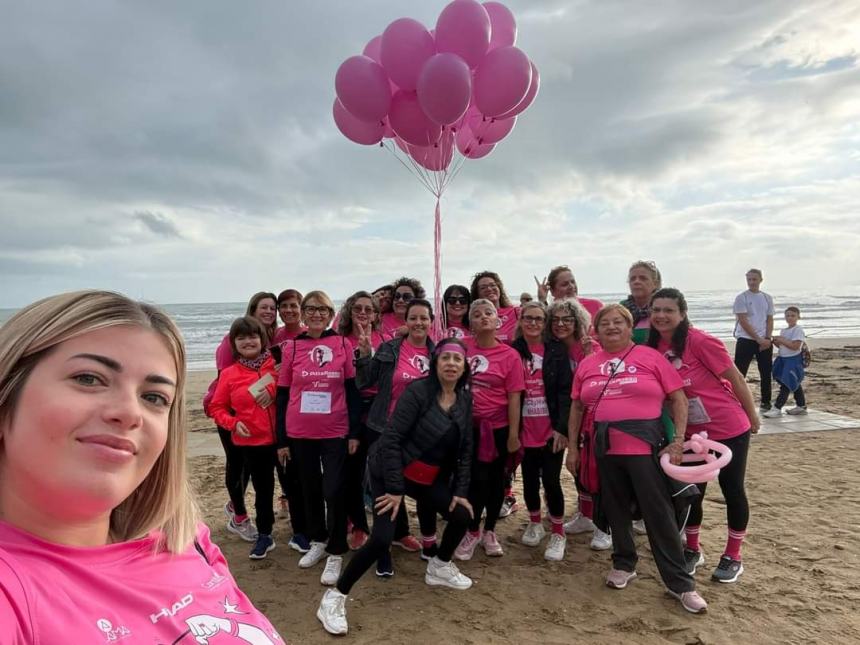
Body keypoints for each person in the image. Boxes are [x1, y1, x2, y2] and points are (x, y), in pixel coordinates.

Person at [0, 290, 282, 642]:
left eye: (153, 397)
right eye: (88, 378)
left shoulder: (187, 539)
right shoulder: (12, 594)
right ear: (6, 396)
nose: (131, 413)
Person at [317, 339, 475, 635]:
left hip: (425, 478)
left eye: (458, 359)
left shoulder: (465, 399)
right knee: (381, 539)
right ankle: (334, 596)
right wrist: (395, 489)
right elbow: (390, 440)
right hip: (388, 472)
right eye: (446, 358)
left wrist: (460, 492)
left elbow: (466, 450)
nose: (452, 363)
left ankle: (439, 566)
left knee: (463, 515)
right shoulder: (418, 392)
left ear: (465, 366)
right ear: (435, 362)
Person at [567, 304, 708, 614]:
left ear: (631, 329)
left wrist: (678, 440)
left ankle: (680, 584)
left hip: (645, 449)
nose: (612, 327)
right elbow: (577, 407)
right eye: (605, 323)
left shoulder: (650, 358)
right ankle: (624, 563)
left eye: (619, 322)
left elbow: (678, 398)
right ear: (597, 330)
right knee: (615, 510)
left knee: (659, 516)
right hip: (605, 450)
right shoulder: (588, 364)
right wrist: (574, 449)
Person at [649, 288, 759, 583]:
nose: (661, 315)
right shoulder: (654, 348)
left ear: (682, 313)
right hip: (691, 432)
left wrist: (752, 416)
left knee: (732, 488)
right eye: (656, 309)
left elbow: (735, 377)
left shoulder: (700, 341)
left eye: (668, 310)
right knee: (693, 494)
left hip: (729, 427)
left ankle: (733, 555)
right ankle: (693, 549)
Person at [275, 291, 360, 586]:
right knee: (308, 488)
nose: (315, 314)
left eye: (322, 309)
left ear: (330, 313)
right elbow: (283, 394)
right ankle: (319, 541)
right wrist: (282, 439)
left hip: (335, 430)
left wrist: (354, 432)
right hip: (300, 431)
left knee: (334, 490)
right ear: (302, 312)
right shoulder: (291, 347)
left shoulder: (341, 343)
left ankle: (336, 550)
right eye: (310, 309)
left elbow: (350, 389)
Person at [356, 299, 435, 571]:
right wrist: (364, 354)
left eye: (424, 318)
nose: (418, 323)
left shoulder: (438, 353)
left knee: (423, 489)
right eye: (413, 318)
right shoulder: (390, 348)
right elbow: (366, 381)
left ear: (431, 321)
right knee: (385, 490)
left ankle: (426, 542)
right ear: (406, 321)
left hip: (422, 434)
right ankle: (383, 548)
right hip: (385, 429)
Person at [204, 291, 282, 543]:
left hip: (281, 439)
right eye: (242, 338)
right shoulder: (229, 372)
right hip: (252, 441)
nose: (248, 341)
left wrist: (271, 390)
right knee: (259, 487)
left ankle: (300, 530)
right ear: (234, 343)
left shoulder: (276, 363)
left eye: (253, 337)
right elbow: (218, 407)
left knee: (288, 485)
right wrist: (233, 423)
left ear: (262, 339)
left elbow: (290, 388)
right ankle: (259, 529)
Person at [455, 299, 525, 560]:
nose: (483, 317)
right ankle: (471, 531)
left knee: (497, 481)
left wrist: (514, 435)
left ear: (498, 321)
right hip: (466, 428)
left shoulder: (509, 355)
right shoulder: (461, 349)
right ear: (470, 322)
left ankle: (490, 531)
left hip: (497, 428)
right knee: (473, 480)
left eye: (489, 313)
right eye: (476, 314)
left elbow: (515, 396)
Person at [543, 299, 610, 550]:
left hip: (593, 416)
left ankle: (606, 526)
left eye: (567, 319)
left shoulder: (588, 347)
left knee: (598, 473)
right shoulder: (554, 349)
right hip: (571, 416)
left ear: (578, 322)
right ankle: (586, 515)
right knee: (579, 469)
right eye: (556, 320)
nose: (561, 324)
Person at [511, 302, 572, 561]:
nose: (533, 323)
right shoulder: (513, 350)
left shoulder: (557, 350)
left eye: (539, 318)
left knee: (551, 480)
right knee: (529, 480)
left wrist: (562, 428)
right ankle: (535, 522)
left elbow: (565, 392)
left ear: (544, 323)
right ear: (521, 320)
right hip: (524, 428)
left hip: (550, 429)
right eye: (529, 318)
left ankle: (558, 532)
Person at [337, 291, 388, 551]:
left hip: (379, 411)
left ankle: (395, 530)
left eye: (369, 309)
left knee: (385, 473)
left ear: (377, 315)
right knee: (353, 472)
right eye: (358, 308)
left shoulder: (386, 340)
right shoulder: (340, 341)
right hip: (350, 411)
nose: (363, 313)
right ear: (349, 310)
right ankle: (359, 525)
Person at [732, 268, 775, 411]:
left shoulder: (767, 298)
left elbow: (769, 319)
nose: (751, 282)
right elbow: (743, 321)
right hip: (746, 339)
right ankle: (735, 401)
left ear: (760, 280)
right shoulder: (742, 297)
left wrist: (767, 338)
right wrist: (758, 339)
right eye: (749, 279)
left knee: (765, 372)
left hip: (764, 340)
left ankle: (766, 402)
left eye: (754, 279)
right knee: (739, 373)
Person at [765, 306, 808, 417]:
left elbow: (795, 346)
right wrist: (776, 341)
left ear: (798, 317)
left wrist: (782, 339)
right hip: (783, 358)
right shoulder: (784, 330)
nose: (790, 318)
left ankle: (777, 408)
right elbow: (782, 346)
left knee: (786, 383)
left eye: (793, 315)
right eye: (787, 315)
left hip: (793, 360)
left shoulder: (798, 330)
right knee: (793, 382)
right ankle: (801, 405)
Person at [537, 265, 604, 322]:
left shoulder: (596, 305)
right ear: (552, 291)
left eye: (573, 282)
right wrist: (542, 300)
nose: (571, 286)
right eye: (564, 284)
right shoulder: (551, 313)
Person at [470, 270, 520, 344]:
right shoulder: (474, 317)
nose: (489, 289)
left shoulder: (516, 312)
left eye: (493, 285)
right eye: (483, 288)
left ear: (499, 288)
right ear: (477, 294)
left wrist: (542, 300)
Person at [620, 261, 662, 344]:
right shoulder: (621, 309)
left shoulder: (665, 307)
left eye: (643, 278)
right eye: (632, 279)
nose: (636, 282)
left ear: (655, 283)